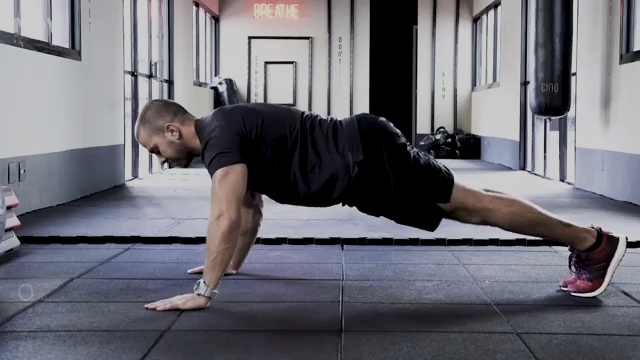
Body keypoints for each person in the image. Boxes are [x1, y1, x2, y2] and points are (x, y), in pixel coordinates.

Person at [134, 100, 627, 312]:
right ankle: (589, 243)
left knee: (470, 206)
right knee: (466, 205)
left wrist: (205, 290)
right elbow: (247, 212)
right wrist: (232, 267)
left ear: (173, 130)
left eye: (157, 148)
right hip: (362, 166)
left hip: (364, 160)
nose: (161, 158)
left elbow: (223, 215)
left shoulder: (219, 139)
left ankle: (592, 243)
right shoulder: (223, 135)